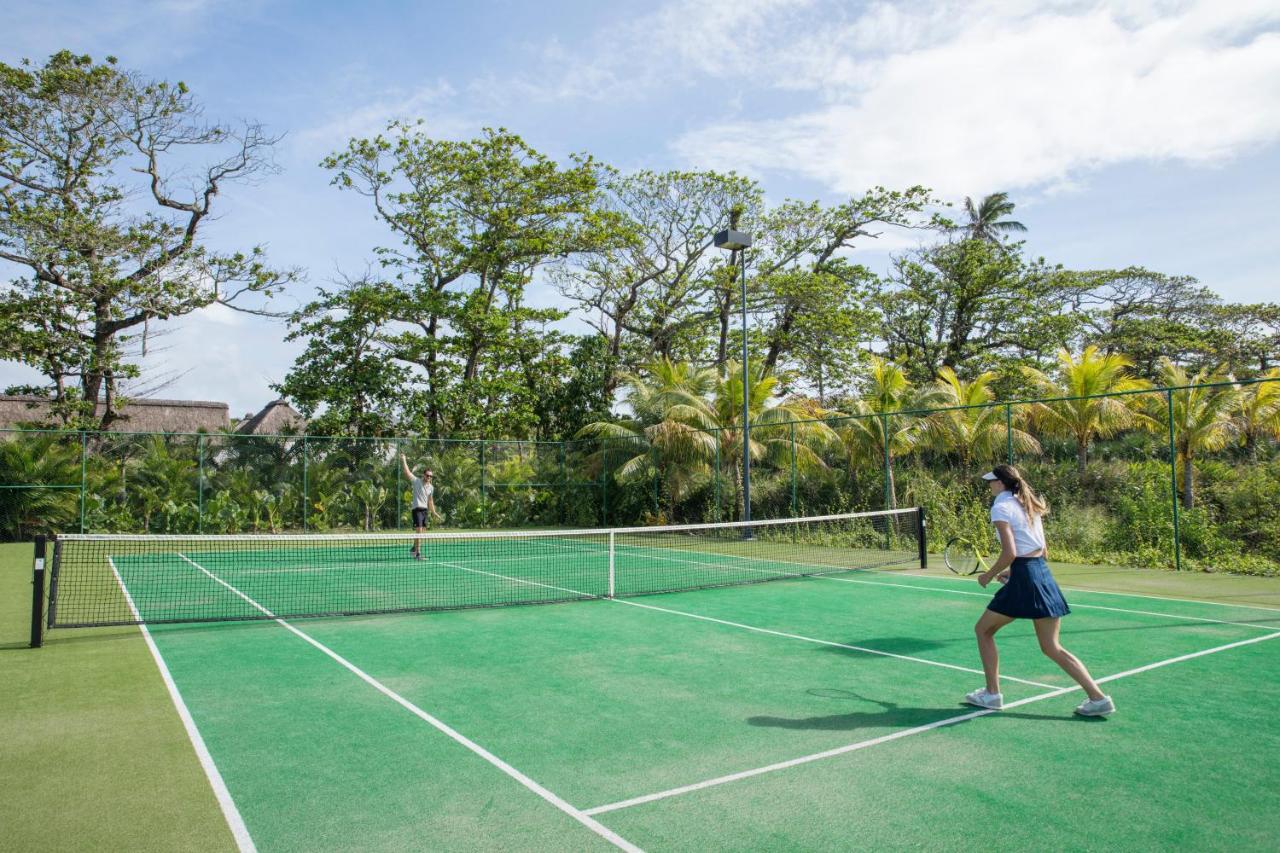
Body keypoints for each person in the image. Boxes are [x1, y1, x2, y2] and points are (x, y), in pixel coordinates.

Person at [965, 464, 1116, 717]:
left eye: (991, 481)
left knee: (983, 630)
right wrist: (1013, 573)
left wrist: (988, 575)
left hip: (1027, 576)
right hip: (1040, 574)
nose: (989, 485)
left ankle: (992, 694)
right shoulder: (1028, 505)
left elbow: (1010, 552)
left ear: (1001, 484)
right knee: (1051, 646)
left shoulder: (1000, 507)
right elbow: (1040, 551)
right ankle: (1098, 698)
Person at [400, 453, 442, 560]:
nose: (429, 477)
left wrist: (434, 512)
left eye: (430, 476)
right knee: (419, 531)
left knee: (422, 532)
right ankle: (418, 554)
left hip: (425, 511)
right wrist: (404, 459)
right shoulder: (416, 481)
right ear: (423, 475)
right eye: (427, 475)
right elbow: (407, 472)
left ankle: (414, 547)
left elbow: (430, 501)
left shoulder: (431, 488)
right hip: (417, 509)